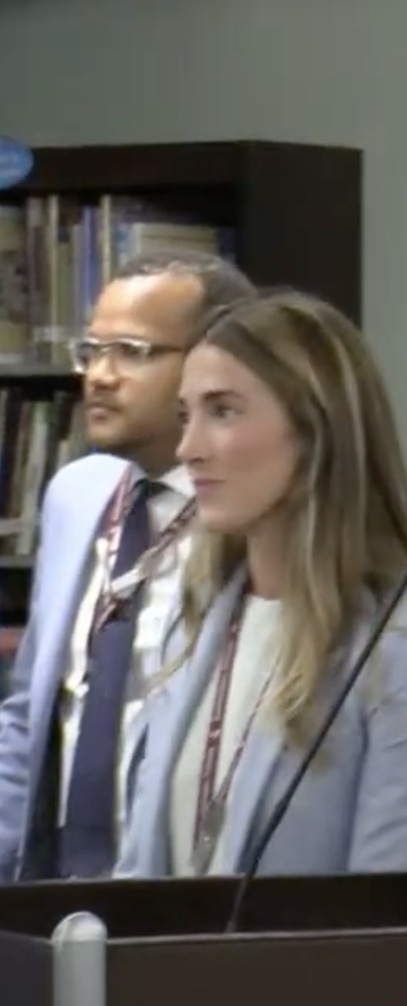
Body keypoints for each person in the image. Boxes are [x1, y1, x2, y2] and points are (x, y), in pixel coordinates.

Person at [114, 289, 407, 878]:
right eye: (186, 416)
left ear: (316, 430)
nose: (189, 449)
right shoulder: (194, 623)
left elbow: (392, 923)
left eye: (223, 411)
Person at [0, 250, 255, 881]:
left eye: (133, 352)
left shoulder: (250, 515)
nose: (100, 376)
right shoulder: (76, 493)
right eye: (93, 350)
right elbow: (35, 709)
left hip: (175, 889)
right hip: (46, 886)